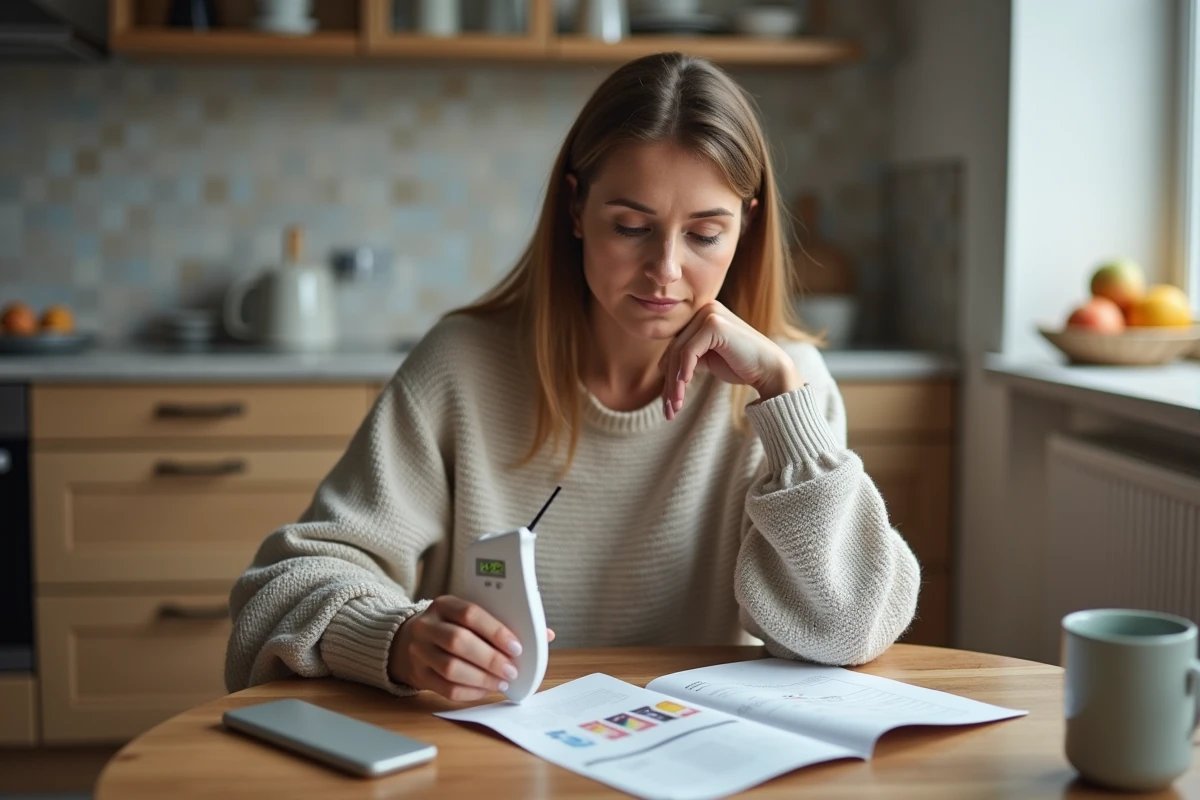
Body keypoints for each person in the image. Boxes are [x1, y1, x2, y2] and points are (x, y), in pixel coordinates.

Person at [225, 52, 921, 703]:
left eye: (705, 234)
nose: (666, 271)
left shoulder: (789, 389)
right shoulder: (461, 368)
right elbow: (280, 588)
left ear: (746, 226)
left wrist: (782, 398)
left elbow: (849, 632)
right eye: (630, 226)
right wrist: (396, 639)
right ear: (575, 210)